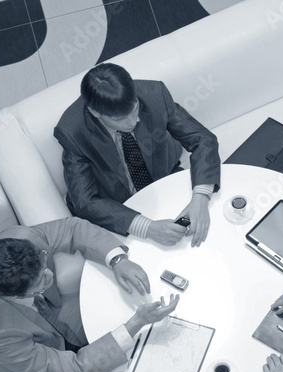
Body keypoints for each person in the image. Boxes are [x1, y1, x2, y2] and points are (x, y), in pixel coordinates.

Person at [0, 216, 179, 372]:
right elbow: (74, 370)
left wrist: (118, 260)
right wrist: (135, 323)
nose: (50, 275)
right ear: (18, 295)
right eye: (42, 281)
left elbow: (73, 228)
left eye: (44, 265)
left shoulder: (21, 240)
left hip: (41, 318)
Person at [54, 62, 221, 247]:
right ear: (95, 112)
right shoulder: (72, 131)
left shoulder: (156, 94)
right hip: (118, 205)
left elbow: (203, 139)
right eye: (120, 119)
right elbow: (85, 202)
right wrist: (148, 228)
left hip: (165, 177)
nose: (134, 121)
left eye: (135, 110)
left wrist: (201, 197)